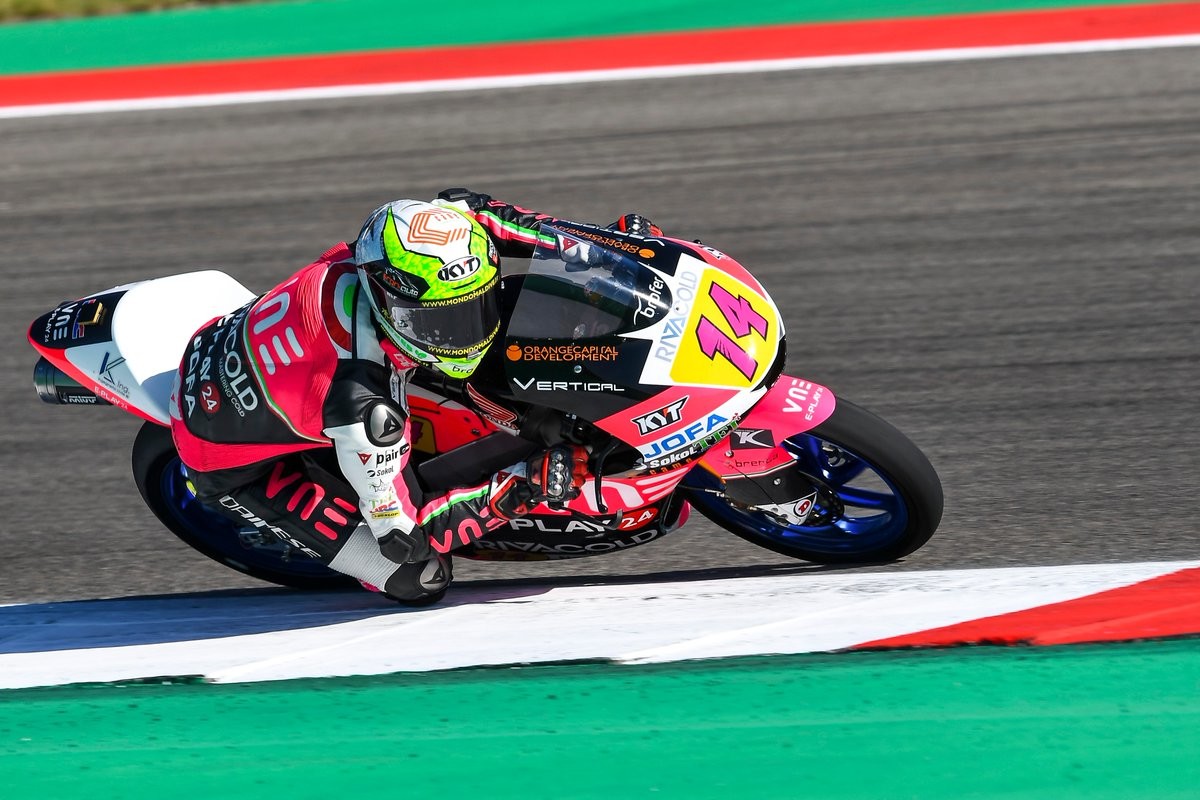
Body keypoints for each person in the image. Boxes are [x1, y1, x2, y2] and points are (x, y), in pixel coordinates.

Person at [168, 189, 660, 604]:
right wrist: (523, 484)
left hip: (267, 358)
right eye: (440, 323)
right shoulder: (363, 405)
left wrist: (613, 250)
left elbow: (490, 215)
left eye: (473, 309)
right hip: (228, 456)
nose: (465, 334)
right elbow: (410, 533)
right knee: (420, 577)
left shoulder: (405, 246)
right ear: (388, 302)